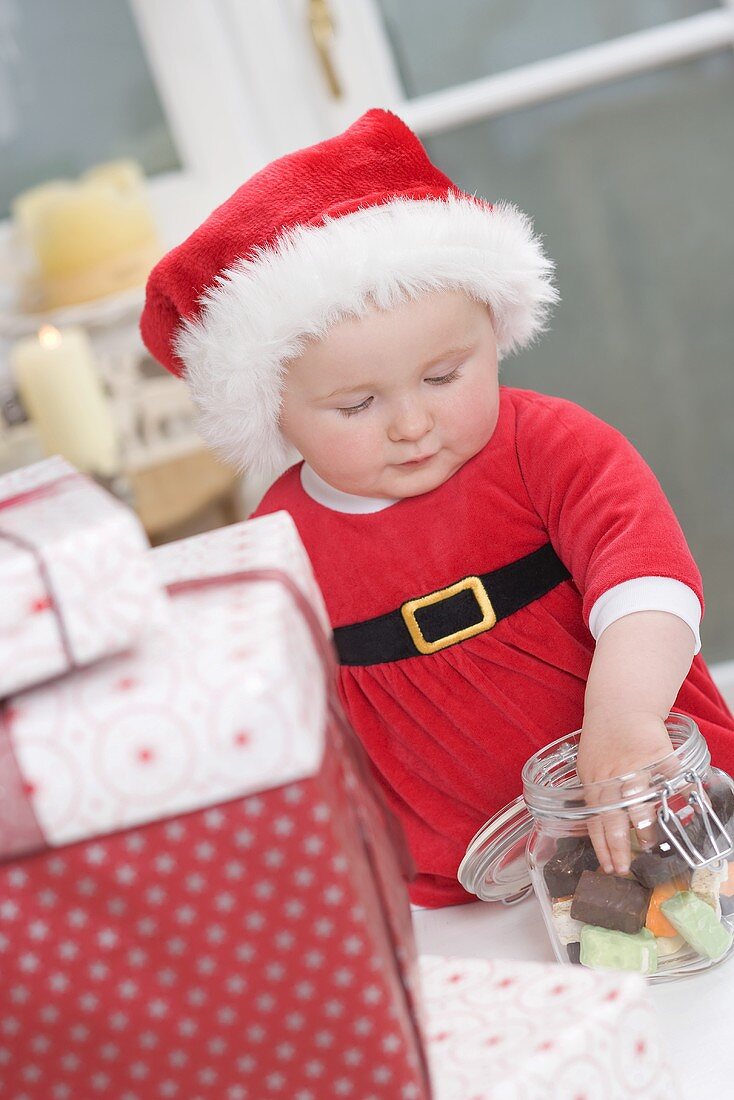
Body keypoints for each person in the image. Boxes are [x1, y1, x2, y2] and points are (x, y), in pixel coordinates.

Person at [140, 108, 734, 907]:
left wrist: (624, 717)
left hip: (658, 806)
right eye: (355, 406)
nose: (412, 424)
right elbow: (271, 711)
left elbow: (648, 582)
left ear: (493, 331)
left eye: (445, 376)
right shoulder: (279, 541)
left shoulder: (548, 446)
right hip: (452, 883)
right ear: (272, 413)